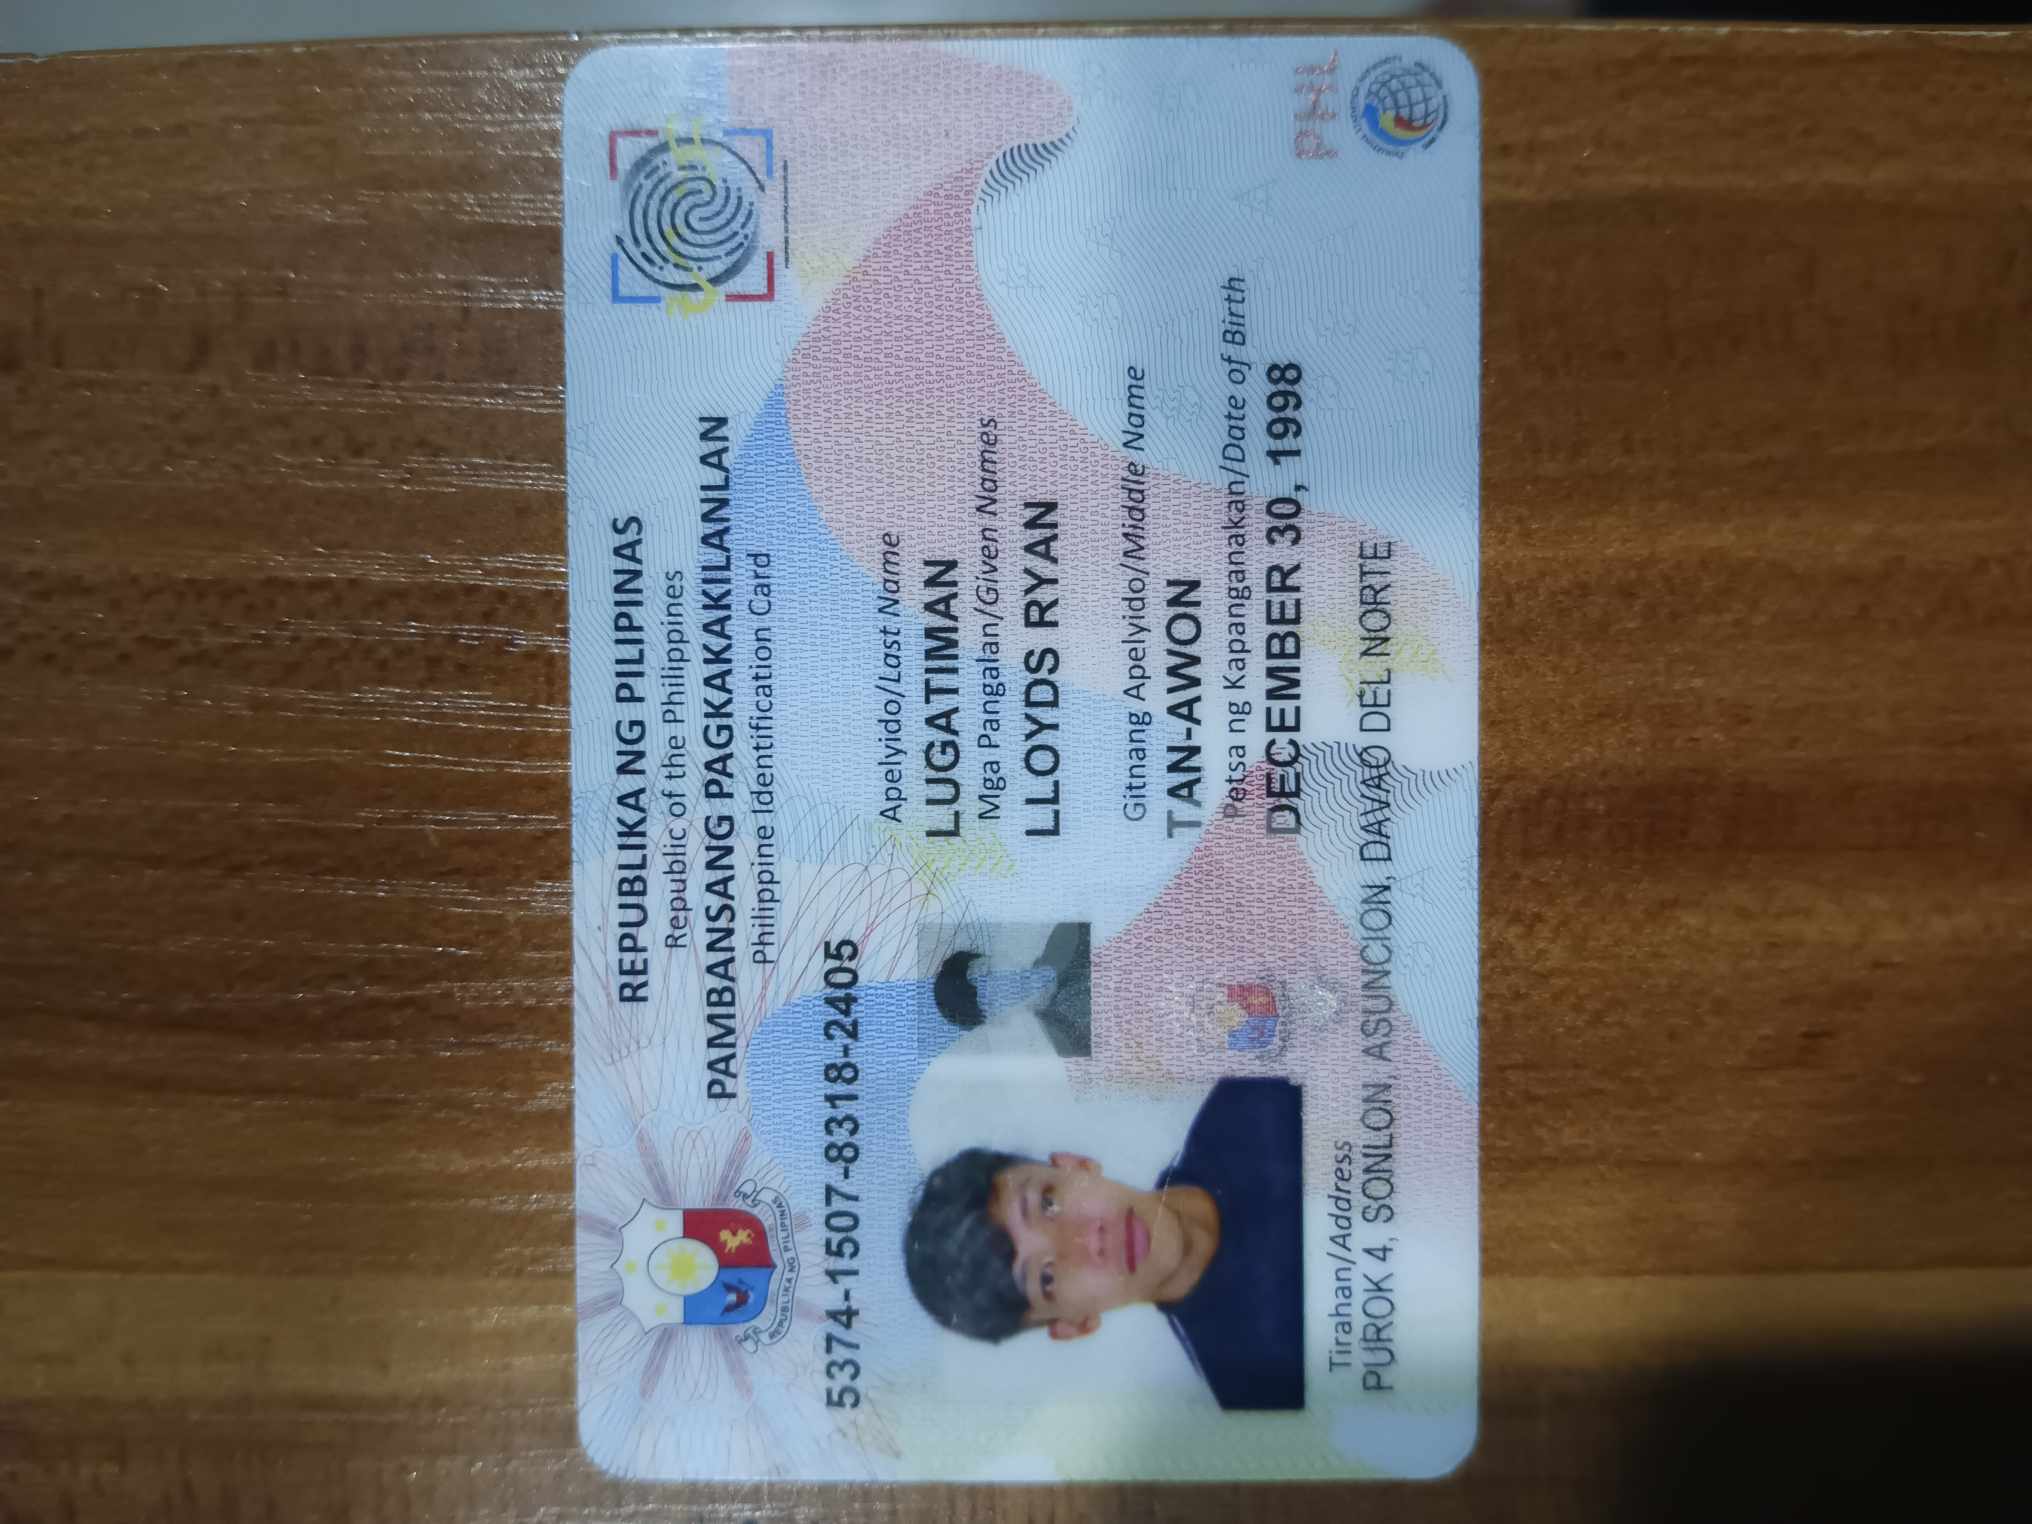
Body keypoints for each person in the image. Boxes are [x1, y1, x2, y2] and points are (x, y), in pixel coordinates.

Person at [903, 1075, 1303, 1410]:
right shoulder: (1262, 1385)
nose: (1086, 1239)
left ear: (1076, 1164)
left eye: (1048, 1203)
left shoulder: (1263, 1096)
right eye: (1046, 1277)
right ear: (1075, 1324)